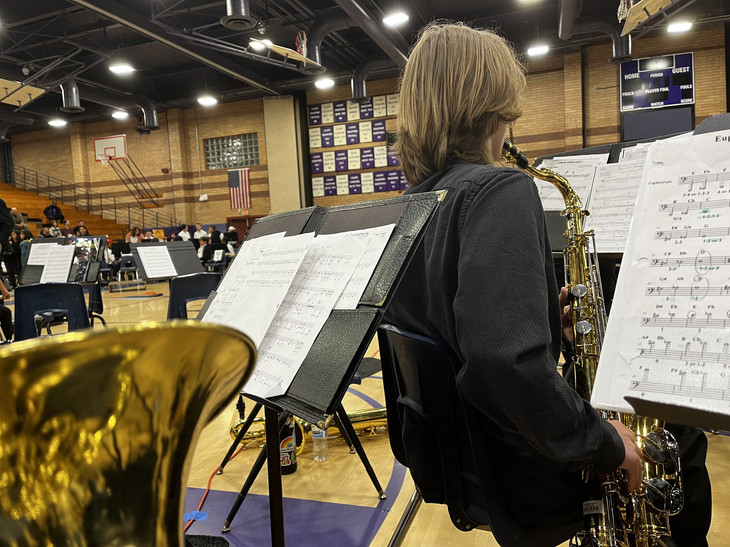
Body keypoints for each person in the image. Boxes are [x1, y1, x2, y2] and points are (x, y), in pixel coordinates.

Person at [383, 23, 642, 546]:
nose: (510, 131)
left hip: (463, 465)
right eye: (508, 115)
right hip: (524, 476)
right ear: (492, 111)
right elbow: (505, 363)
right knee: (678, 444)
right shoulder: (499, 190)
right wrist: (604, 443)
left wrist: (547, 326)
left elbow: (455, 334)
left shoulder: (411, 208)